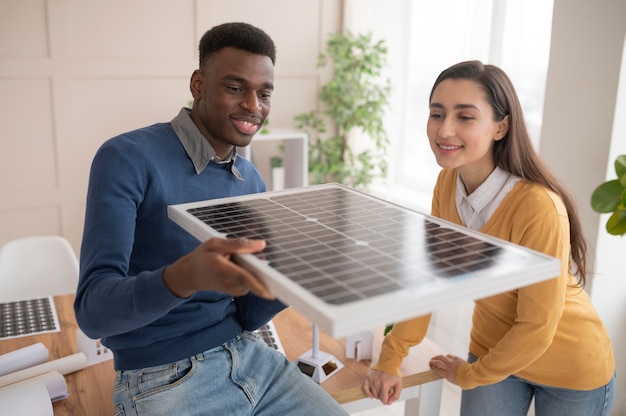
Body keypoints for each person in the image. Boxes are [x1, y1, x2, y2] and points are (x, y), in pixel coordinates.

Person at [74, 22, 348, 416]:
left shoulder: (251, 180)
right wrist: (184, 276)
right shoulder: (127, 157)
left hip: (251, 359)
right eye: (236, 88)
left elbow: (249, 314)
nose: (254, 106)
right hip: (160, 378)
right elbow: (92, 313)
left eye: (264, 93)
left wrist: (296, 271)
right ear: (198, 84)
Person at [361, 60, 616, 415]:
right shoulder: (447, 183)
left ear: (501, 127)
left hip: (570, 366)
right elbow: (430, 278)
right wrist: (391, 359)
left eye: (465, 117)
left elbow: (538, 325)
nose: (444, 130)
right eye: (437, 114)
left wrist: (471, 374)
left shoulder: (539, 207)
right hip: (494, 350)